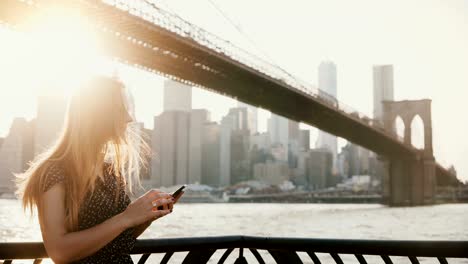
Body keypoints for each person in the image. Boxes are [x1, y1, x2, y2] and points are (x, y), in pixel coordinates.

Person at [15, 76, 181, 263]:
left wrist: (145, 215)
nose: (129, 118)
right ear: (98, 114)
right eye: (121, 109)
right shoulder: (54, 171)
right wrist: (126, 217)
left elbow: (115, 237)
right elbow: (59, 252)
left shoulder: (110, 170)